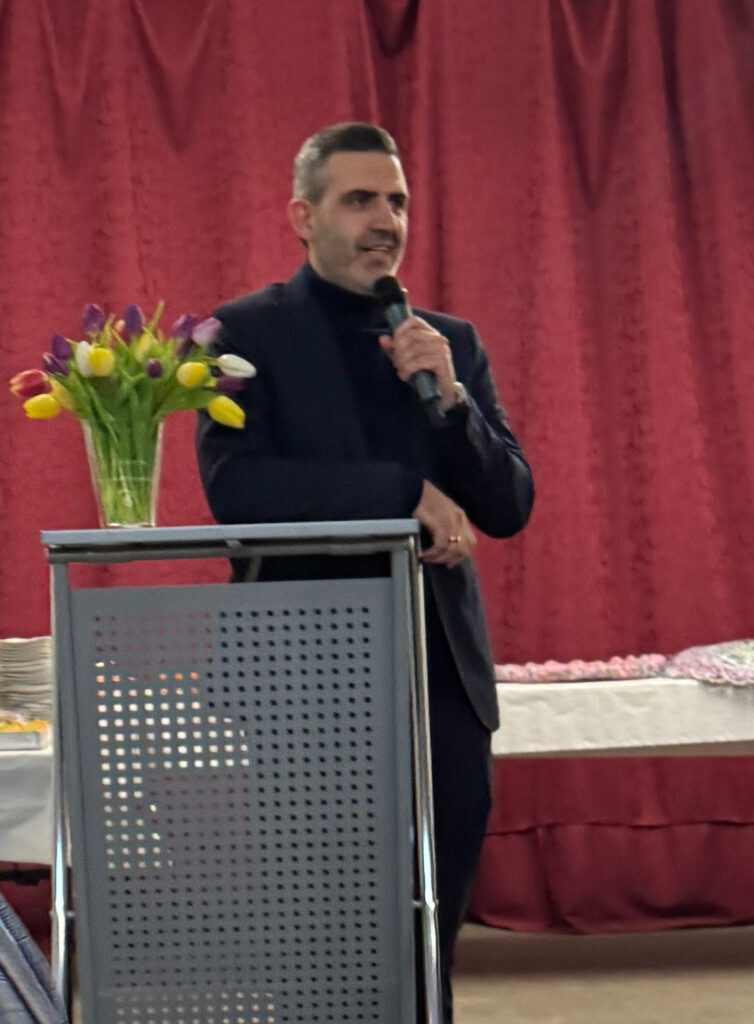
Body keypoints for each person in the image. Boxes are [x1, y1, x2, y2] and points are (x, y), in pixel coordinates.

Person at [195, 122, 534, 1022]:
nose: (385, 220)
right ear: (303, 217)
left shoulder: (446, 341)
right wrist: (401, 492)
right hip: (302, 685)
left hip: (440, 686)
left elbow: (509, 504)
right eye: (359, 200)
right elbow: (240, 492)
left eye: (397, 202)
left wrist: (452, 404)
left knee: (429, 941)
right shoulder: (243, 334)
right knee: (316, 942)